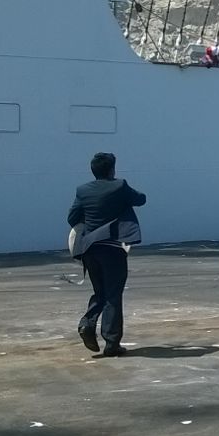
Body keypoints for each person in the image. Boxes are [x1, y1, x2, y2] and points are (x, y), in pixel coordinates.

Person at [67, 152, 146, 357]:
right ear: (112, 170)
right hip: (112, 248)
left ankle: (87, 323)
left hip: (89, 250)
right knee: (113, 295)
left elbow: (72, 217)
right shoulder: (119, 186)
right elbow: (141, 199)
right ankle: (112, 344)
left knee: (100, 292)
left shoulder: (82, 190)